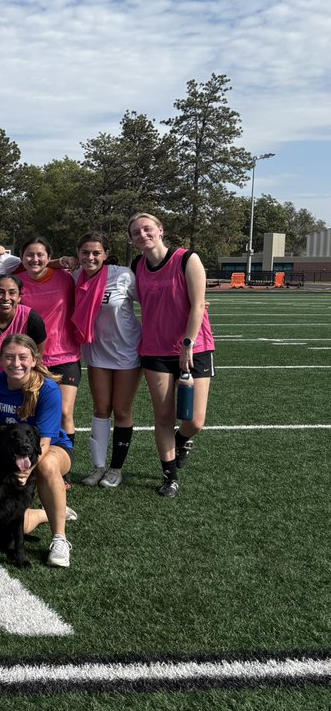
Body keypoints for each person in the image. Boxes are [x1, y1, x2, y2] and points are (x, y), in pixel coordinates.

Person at [128, 213, 215, 499]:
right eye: (136, 232)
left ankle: (183, 440)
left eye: (147, 228)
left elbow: (198, 304)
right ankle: (170, 475)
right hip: (154, 350)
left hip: (195, 348)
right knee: (163, 416)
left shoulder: (187, 258)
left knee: (195, 420)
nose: (143, 234)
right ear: (132, 239)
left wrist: (187, 344)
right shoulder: (137, 264)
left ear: (160, 230)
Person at [0, 334, 73, 568]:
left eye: (23, 357)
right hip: (10, 452)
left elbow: (44, 441)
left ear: (34, 360)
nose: (16, 363)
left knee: (45, 465)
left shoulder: (48, 389)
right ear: (0, 359)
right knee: (9, 525)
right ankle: (45, 513)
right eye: (9, 357)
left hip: (52, 448)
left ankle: (60, 538)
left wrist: (26, 468)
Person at [73, 232, 142, 488]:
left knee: (122, 411)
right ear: (78, 253)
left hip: (127, 351)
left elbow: (152, 300)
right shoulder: (74, 276)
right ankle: (98, 467)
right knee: (101, 409)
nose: (90, 257)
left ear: (105, 253)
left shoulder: (122, 275)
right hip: (97, 352)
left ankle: (116, 469)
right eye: (85, 252)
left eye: (96, 253)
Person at [15, 237, 82, 460]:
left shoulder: (66, 277)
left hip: (65, 355)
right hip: (31, 358)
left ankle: (65, 464)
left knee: (64, 412)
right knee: (31, 412)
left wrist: (61, 261)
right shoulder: (16, 281)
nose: (35, 259)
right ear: (22, 258)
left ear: (48, 257)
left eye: (40, 255)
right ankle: (31, 460)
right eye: (29, 255)